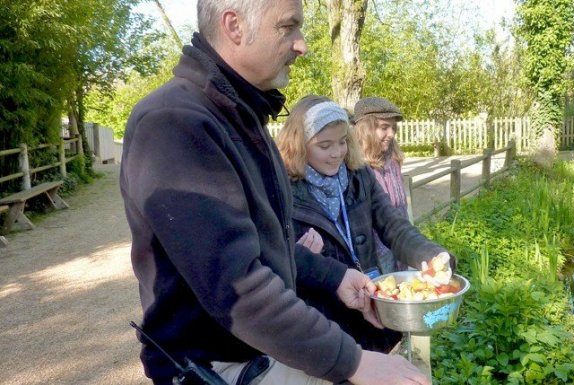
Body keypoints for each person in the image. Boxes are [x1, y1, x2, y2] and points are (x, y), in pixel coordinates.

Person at [119, 1, 431, 384]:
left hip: (263, 352)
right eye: (288, 27)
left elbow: (269, 247)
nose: (302, 45)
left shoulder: (243, 119)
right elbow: (238, 286)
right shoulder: (176, 123)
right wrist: (354, 361)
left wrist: (335, 276)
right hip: (220, 368)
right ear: (234, 26)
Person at [276, 95, 453, 353]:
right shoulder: (283, 191)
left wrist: (433, 256)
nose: (336, 153)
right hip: (324, 321)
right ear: (299, 144)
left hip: (371, 306)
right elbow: (273, 258)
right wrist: (301, 258)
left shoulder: (359, 176)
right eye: (324, 145)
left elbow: (394, 225)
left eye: (342, 142)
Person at [353, 97, 409, 273]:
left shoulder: (393, 161)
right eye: (384, 127)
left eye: (393, 128)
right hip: (374, 252)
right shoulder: (356, 168)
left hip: (399, 243)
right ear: (366, 129)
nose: (391, 134)